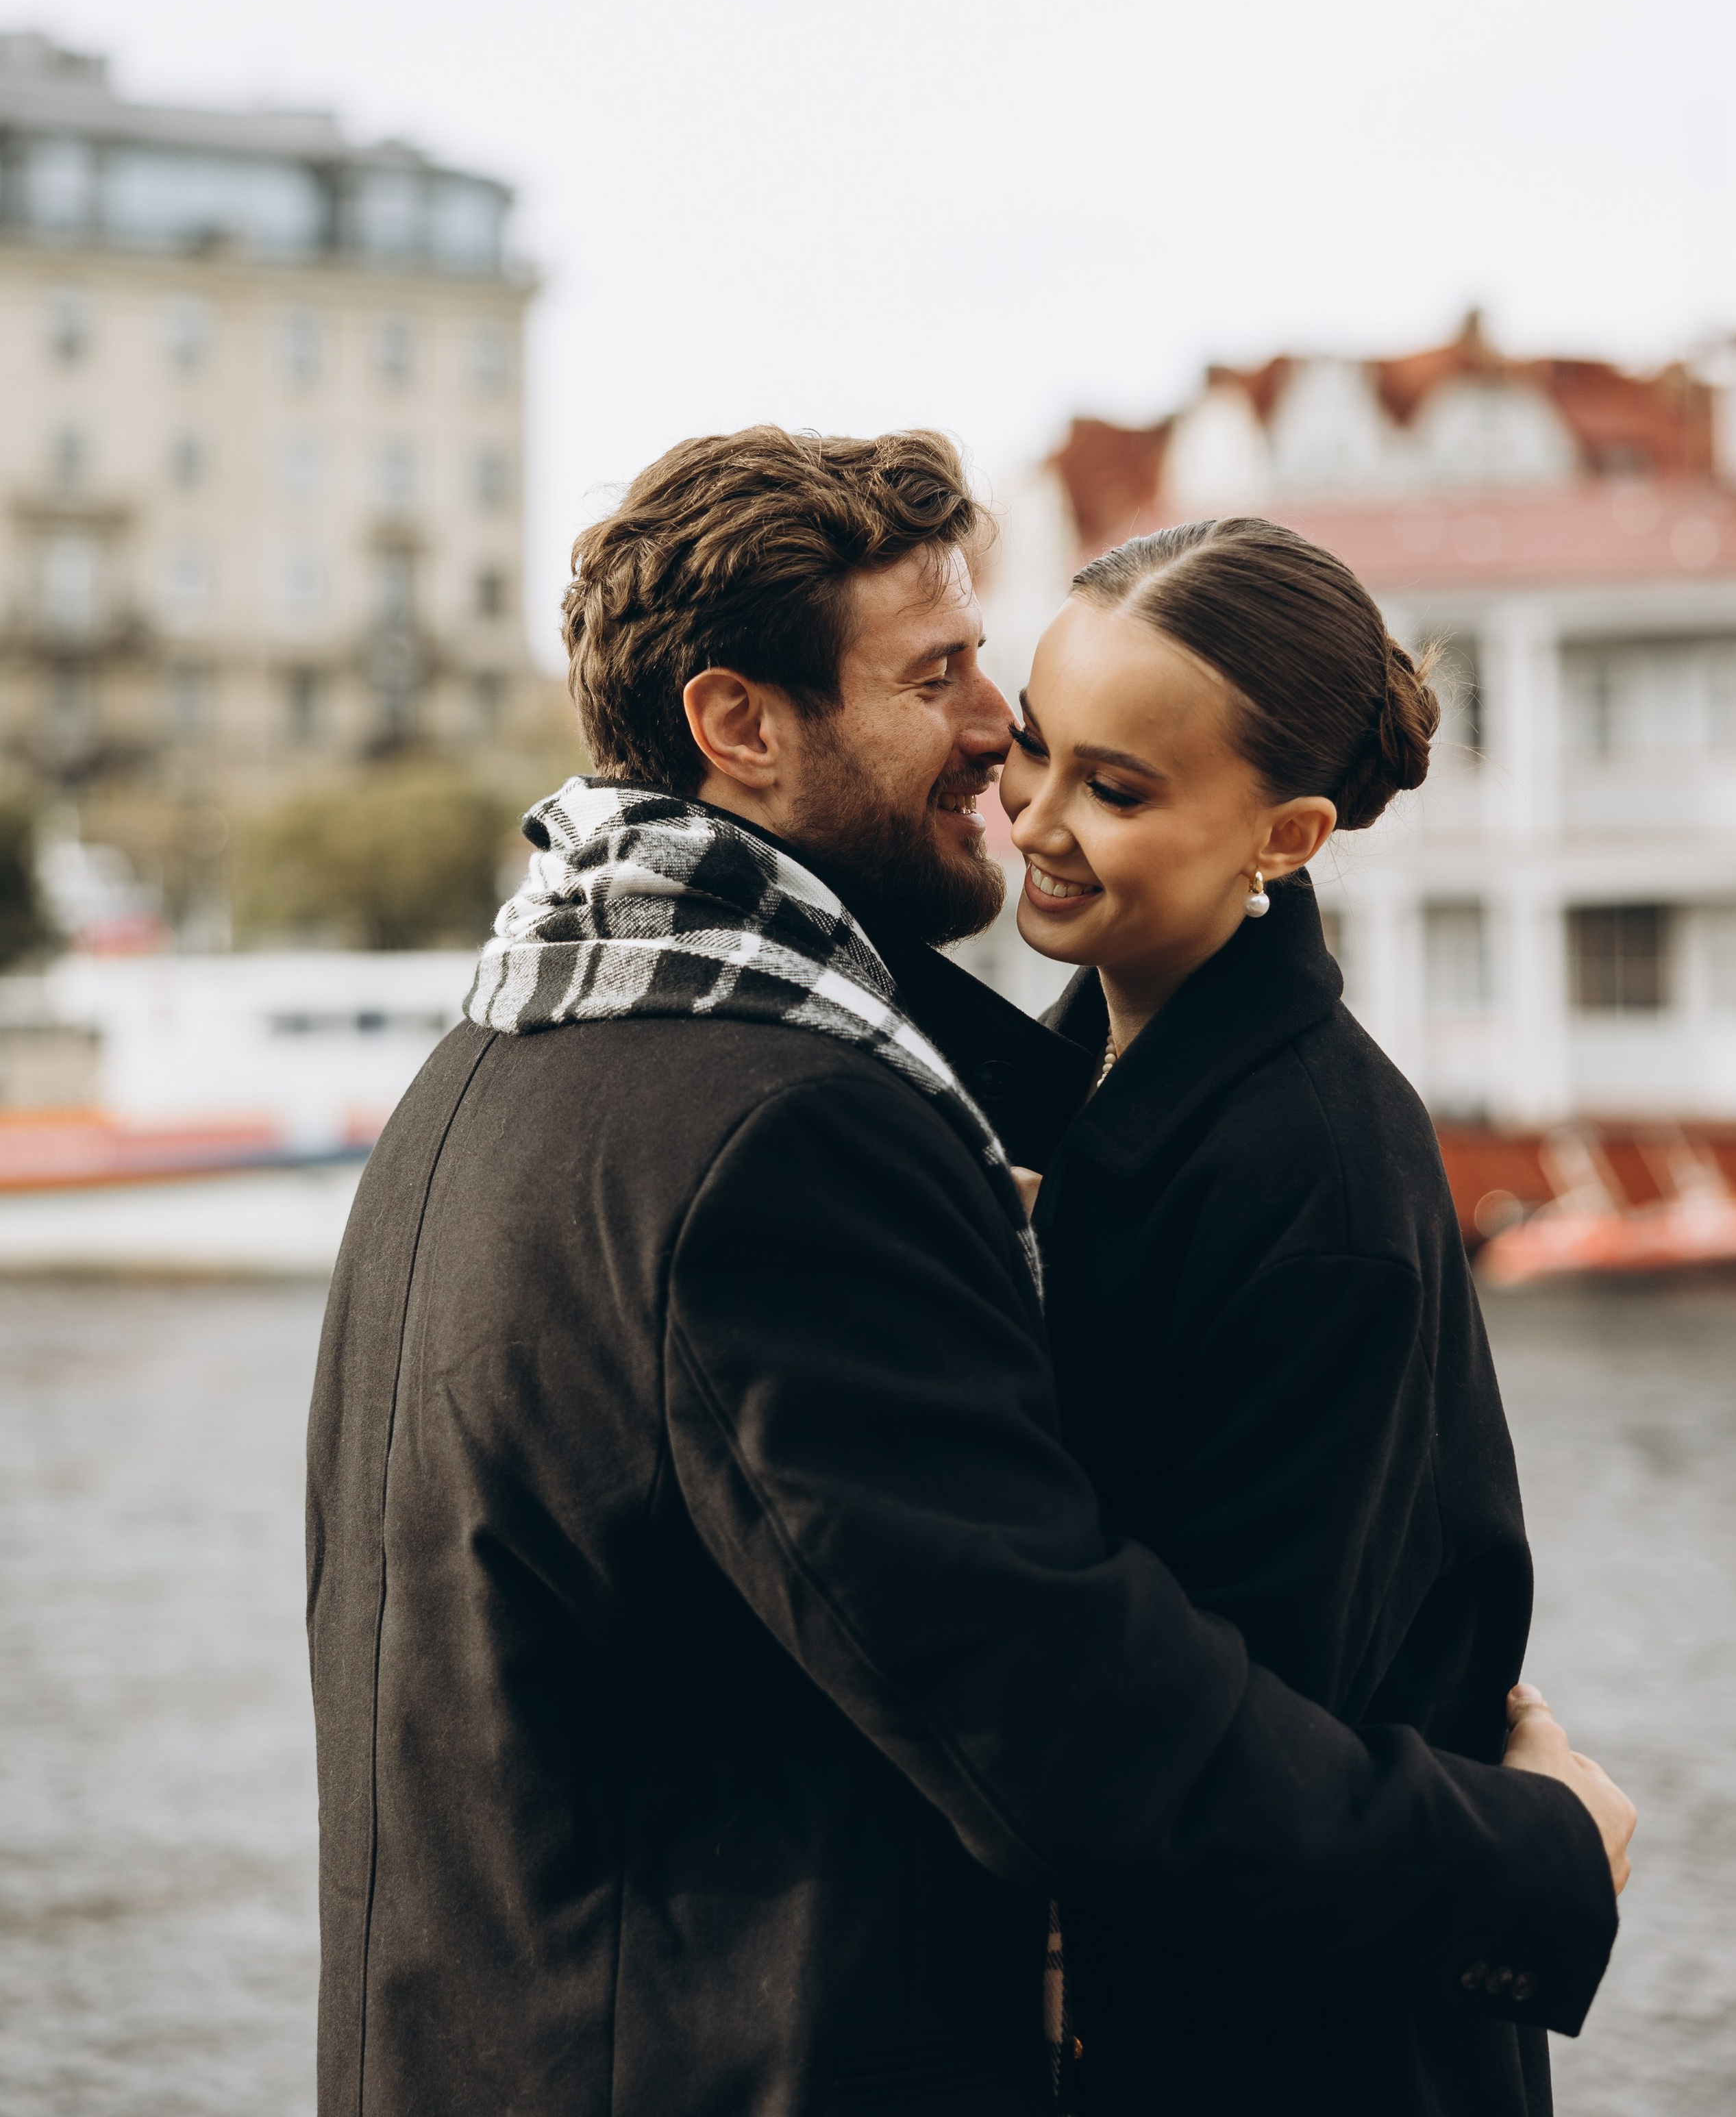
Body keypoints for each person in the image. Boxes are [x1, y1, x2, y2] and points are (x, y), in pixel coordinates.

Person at [306, 430, 1630, 2117]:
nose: (996, 733)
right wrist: (1527, 1859)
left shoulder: (509, 1053)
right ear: (740, 725)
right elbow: (1067, 1709)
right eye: (937, 674)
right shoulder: (772, 1130)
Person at [1002, 515, 1587, 2116]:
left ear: (1285, 835)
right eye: (1030, 748)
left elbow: (1259, 1702)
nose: (1034, 821)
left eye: (1114, 789)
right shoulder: (1095, 1080)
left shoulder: (1314, 1162)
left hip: (1303, 2040)